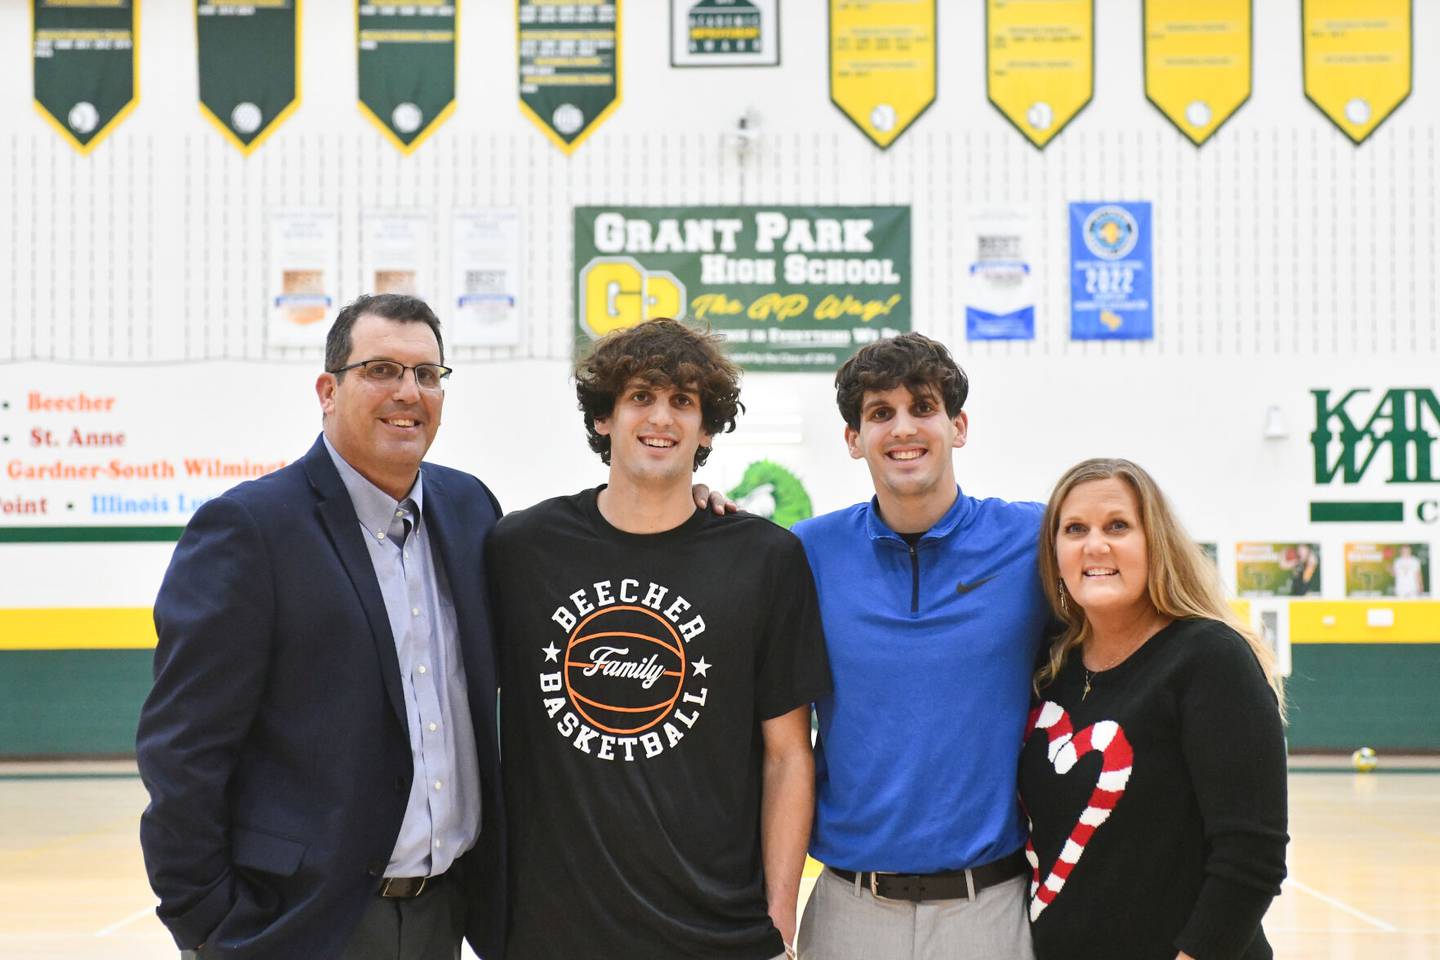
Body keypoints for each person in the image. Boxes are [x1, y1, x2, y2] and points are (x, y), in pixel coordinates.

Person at [136, 294, 507, 960]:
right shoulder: (250, 531)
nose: (408, 392)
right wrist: (207, 922)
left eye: (427, 375)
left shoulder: (471, 509)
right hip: (298, 925)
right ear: (328, 390)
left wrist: (692, 512)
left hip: (442, 916)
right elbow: (182, 751)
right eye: (382, 370)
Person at [488, 318, 830, 960]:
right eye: (641, 396)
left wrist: (780, 912)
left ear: (706, 429)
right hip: (552, 929)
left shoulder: (764, 559)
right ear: (602, 418)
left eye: (683, 401)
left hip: (716, 931)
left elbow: (788, 753)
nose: (662, 418)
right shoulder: (521, 550)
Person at [793, 333, 1047, 960]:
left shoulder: (1033, 539)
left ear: (958, 426)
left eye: (923, 407)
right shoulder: (803, 553)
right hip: (848, 908)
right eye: (881, 413)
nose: (903, 428)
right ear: (853, 439)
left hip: (991, 906)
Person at [1018, 458, 1288, 960]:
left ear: (1154, 542)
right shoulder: (1047, 668)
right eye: (1075, 529)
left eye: (1117, 526)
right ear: (1054, 555)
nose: (1095, 545)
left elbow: (1251, 858)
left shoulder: (1209, 657)